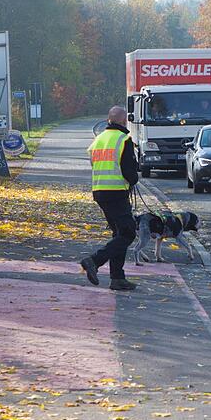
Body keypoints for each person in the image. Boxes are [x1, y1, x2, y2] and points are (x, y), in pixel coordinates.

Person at [81, 106, 140, 290]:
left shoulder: (98, 140)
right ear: (124, 122)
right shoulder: (124, 139)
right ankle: (94, 260)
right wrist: (134, 179)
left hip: (100, 191)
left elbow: (94, 163)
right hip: (116, 192)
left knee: (119, 234)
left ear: (108, 120)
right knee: (129, 232)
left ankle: (117, 278)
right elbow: (130, 171)